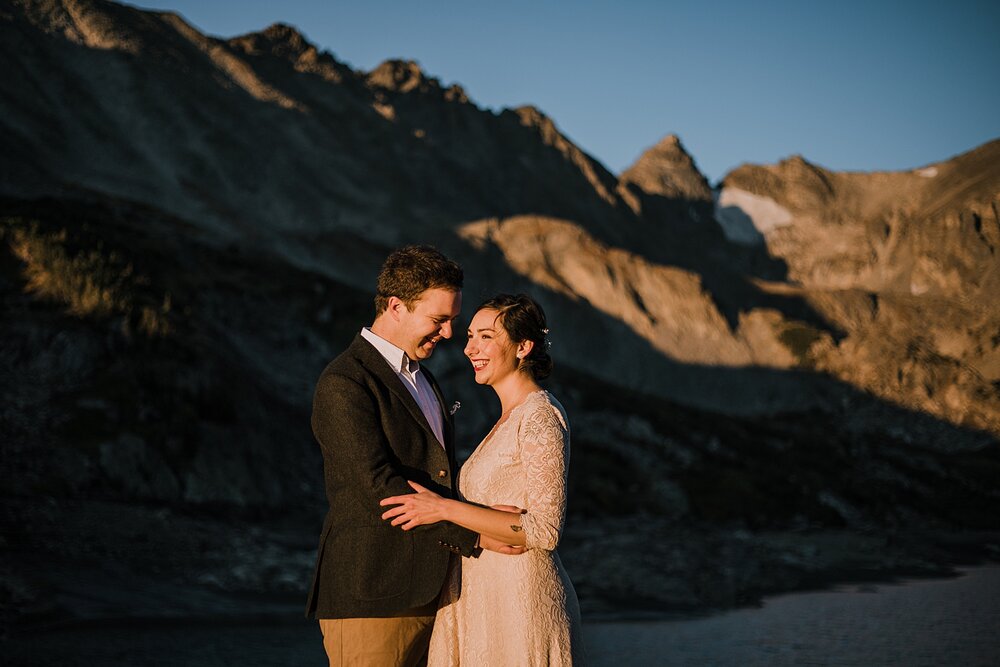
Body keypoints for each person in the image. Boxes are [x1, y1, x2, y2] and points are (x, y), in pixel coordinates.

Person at [306, 245, 516, 667]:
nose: (449, 335)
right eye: (438, 320)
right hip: (374, 595)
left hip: (435, 593)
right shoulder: (345, 382)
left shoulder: (424, 379)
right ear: (396, 306)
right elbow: (376, 487)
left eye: (453, 321)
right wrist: (474, 535)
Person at [381, 293, 585, 665]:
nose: (470, 348)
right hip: (482, 595)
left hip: (520, 601)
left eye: (486, 337)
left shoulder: (539, 417)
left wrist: (442, 508)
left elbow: (543, 530)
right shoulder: (508, 419)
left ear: (523, 346)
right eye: (470, 336)